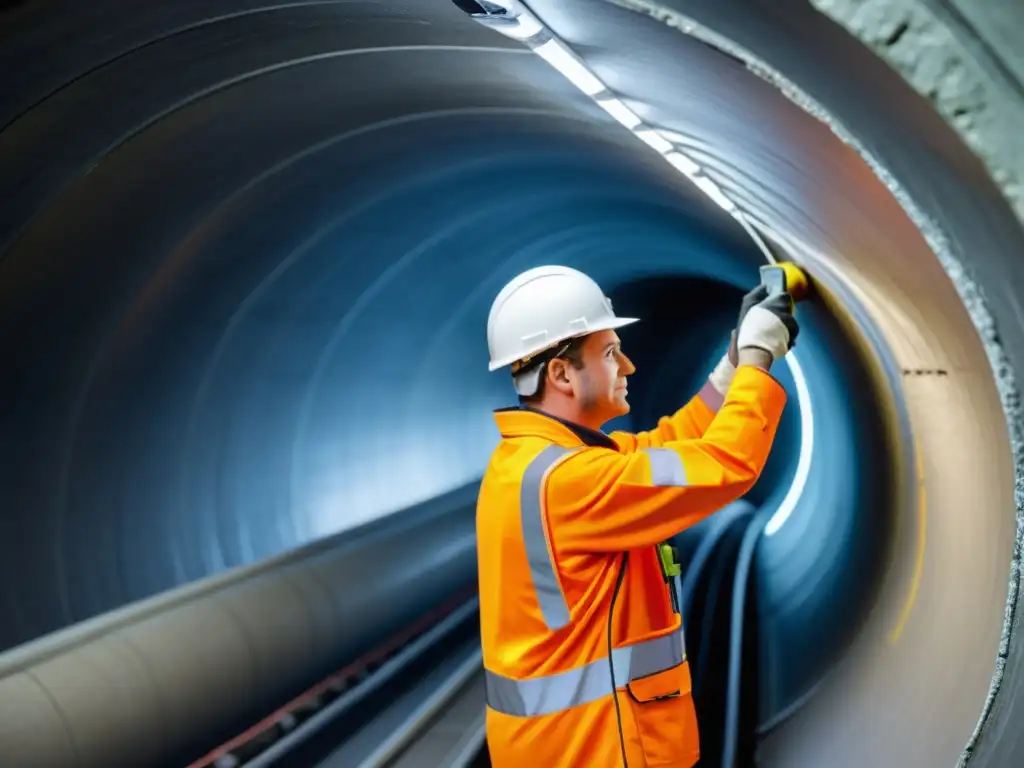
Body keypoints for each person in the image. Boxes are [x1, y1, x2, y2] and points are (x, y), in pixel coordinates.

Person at [476, 265, 798, 768]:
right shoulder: (571, 483)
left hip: (564, 746)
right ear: (561, 374)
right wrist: (759, 361)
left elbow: (670, 446)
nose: (627, 366)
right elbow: (723, 464)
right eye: (610, 353)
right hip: (596, 746)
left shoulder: (538, 462)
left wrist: (732, 362)